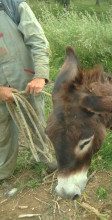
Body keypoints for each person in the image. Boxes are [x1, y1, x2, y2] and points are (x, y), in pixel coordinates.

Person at [0, 0, 56, 180]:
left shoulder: (13, 5)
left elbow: (38, 40)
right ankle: (3, 172)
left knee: (35, 119)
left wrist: (40, 75)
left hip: (25, 78)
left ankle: (42, 156)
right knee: (2, 132)